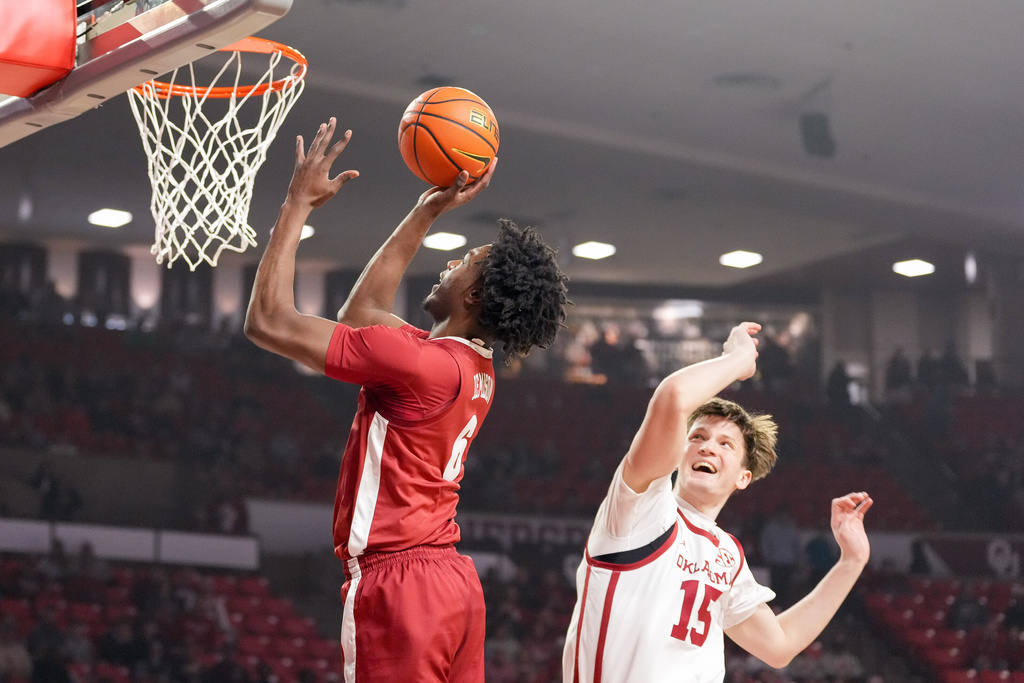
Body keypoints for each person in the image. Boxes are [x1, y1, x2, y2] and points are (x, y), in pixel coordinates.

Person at [244, 118, 569, 683]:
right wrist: (426, 210)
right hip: (451, 584)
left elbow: (269, 321)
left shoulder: (421, 365)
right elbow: (361, 316)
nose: (448, 262)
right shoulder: (464, 364)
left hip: (400, 587)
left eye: (462, 261)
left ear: (472, 293)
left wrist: (296, 205)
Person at [562, 322, 873, 683]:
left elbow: (780, 646)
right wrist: (739, 360)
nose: (708, 446)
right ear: (678, 450)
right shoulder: (640, 504)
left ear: (743, 477)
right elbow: (673, 399)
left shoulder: (726, 553)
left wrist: (852, 561)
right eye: (698, 436)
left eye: (726, 444)